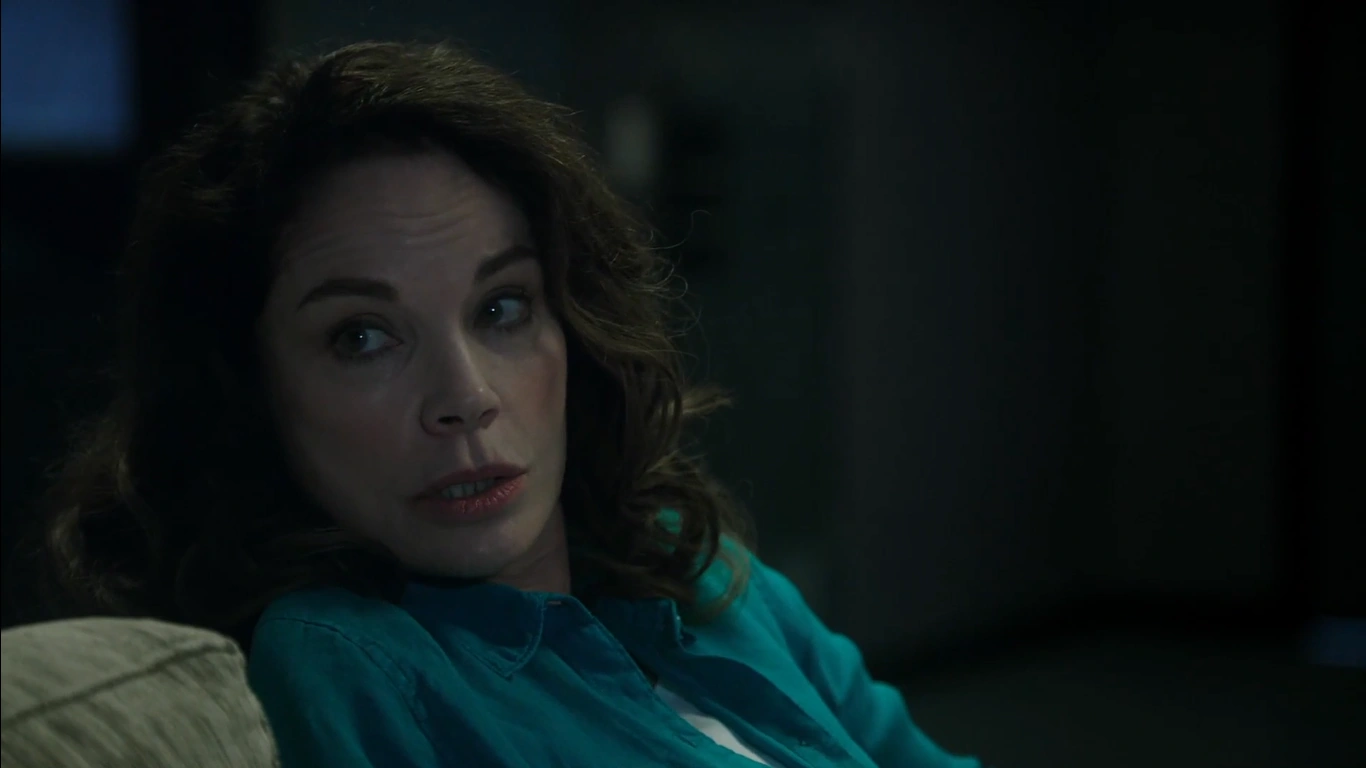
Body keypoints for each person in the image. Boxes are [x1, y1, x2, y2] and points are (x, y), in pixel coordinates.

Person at [35, 41, 981, 768]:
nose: (466, 398)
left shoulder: (692, 561)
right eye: (363, 337)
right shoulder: (340, 655)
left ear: (571, 323)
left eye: (501, 309)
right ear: (248, 392)